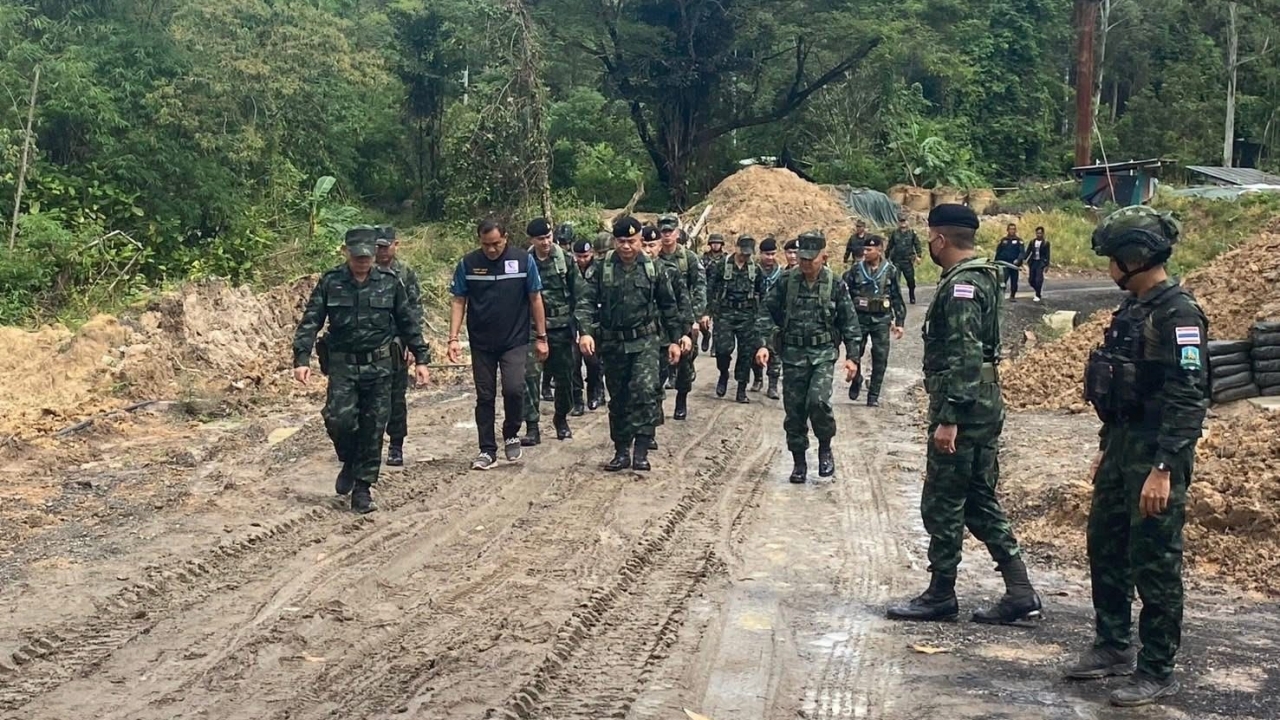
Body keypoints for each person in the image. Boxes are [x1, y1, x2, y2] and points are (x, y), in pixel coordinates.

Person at [1067, 206, 1208, 708]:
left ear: (1135, 257)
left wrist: (1164, 469)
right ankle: (1112, 645)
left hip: (1156, 453)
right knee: (1106, 544)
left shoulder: (1180, 315)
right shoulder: (1134, 309)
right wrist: (1107, 450)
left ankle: (1156, 667)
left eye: (1112, 258)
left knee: (1154, 560)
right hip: (1122, 444)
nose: (1109, 269)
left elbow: (1189, 396)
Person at [886, 204, 1041, 624]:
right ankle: (1020, 590)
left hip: (964, 408)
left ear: (939, 239)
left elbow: (965, 353)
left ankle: (940, 594)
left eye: (930, 237)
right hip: (983, 403)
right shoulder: (984, 274)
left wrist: (950, 416)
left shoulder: (961, 286)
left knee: (943, 499)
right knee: (977, 498)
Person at [292, 226, 431, 513]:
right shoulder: (331, 281)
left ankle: (363, 488)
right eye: (357, 257)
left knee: (373, 427)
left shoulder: (391, 282)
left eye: (367, 257)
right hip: (343, 365)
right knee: (337, 419)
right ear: (346, 253)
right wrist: (301, 358)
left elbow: (408, 322)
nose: (363, 262)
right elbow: (311, 320)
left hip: (380, 367)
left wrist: (421, 358)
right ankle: (350, 459)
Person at [576, 216, 686, 472]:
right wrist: (585, 332)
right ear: (615, 241)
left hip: (645, 341)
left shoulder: (653, 268)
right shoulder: (602, 269)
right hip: (613, 343)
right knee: (620, 397)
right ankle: (622, 450)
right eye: (621, 241)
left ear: (640, 241)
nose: (626, 246)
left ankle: (641, 450)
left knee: (646, 391)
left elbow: (669, 306)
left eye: (632, 241)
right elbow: (585, 303)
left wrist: (675, 340)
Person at [757, 232, 860, 483]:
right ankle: (799, 462)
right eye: (802, 258)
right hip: (792, 356)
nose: (804, 264)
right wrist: (764, 343)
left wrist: (852, 357)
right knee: (794, 413)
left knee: (818, 402)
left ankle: (825, 447)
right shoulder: (786, 282)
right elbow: (764, 312)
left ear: (823, 257)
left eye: (810, 259)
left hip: (823, 355)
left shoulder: (835, 284)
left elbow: (850, 322)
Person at [447, 219, 549, 471]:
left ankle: (511, 432)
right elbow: (459, 300)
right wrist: (453, 338)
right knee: (485, 396)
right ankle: (487, 449)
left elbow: (535, 298)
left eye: (496, 243)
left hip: (514, 339)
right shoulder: (468, 264)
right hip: (481, 341)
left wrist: (542, 337)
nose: (491, 249)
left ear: (505, 237)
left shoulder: (524, 262)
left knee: (514, 389)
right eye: (486, 245)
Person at [521, 217, 583, 447]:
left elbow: (580, 294)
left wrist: (581, 328)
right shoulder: (524, 262)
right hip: (532, 329)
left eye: (548, 237)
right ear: (532, 240)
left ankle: (561, 418)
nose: (546, 242)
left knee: (565, 377)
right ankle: (532, 426)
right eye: (541, 239)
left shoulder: (565, 260)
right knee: (530, 377)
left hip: (562, 327)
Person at [373, 225, 422, 467]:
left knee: (396, 398)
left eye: (386, 246)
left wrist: (412, 344)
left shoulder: (404, 273)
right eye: (377, 246)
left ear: (396, 245)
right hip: (370, 345)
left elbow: (413, 310)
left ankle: (395, 445)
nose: (381, 251)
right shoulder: (364, 270)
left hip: (396, 345)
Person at [844, 236, 906, 407]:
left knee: (880, 356)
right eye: (864, 249)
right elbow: (845, 296)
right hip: (860, 319)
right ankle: (856, 379)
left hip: (881, 319)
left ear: (879, 250)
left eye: (869, 250)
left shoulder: (890, 270)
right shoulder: (856, 270)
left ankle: (873, 395)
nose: (865, 253)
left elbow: (896, 297)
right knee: (855, 353)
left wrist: (899, 322)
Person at [657, 214, 708, 420]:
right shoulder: (654, 257)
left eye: (670, 231)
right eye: (663, 231)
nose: (667, 235)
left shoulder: (689, 259)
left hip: (684, 317)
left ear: (677, 233)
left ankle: (681, 399)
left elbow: (699, 288)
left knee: (685, 364)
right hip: (661, 318)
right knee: (659, 365)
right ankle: (657, 405)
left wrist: (694, 318)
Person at [708, 235, 768, 403]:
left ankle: (741, 388)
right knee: (722, 350)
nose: (745, 256)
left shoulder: (755, 270)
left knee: (746, 354)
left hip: (747, 315)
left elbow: (763, 294)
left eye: (748, 253)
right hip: (725, 313)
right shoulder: (721, 266)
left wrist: (762, 318)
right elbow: (710, 288)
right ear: (736, 247)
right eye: (743, 252)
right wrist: (708, 312)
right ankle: (723, 373)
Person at [570, 238, 606, 411]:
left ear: (591, 253)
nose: (582, 259)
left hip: (594, 320)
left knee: (593, 361)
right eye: (579, 256)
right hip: (572, 319)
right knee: (573, 361)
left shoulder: (599, 268)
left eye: (585, 256)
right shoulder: (570, 268)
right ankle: (577, 399)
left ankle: (595, 392)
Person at [753, 236, 783, 399]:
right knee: (754, 348)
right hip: (754, 315)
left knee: (775, 350)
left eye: (772, 254)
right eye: (767, 254)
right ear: (760, 254)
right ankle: (758, 377)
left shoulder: (782, 274)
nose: (770, 258)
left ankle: (773, 384)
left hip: (774, 317)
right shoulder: (754, 271)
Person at [886, 216, 922, 304]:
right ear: (898, 223)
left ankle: (912, 296)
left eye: (904, 221)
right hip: (897, 260)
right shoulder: (895, 233)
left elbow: (917, 244)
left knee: (910, 281)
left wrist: (919, 256)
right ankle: (896, 299)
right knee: (896, 281)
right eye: (901, 221)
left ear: (907, 222)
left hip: (908, 261)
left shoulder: (912, 233)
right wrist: (886, 257)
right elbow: (890, 246)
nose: (903, 223)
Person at [701, 234, 727, 352]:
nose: (716, 245)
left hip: (719, 293)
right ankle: (706, 335)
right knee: (702, 320)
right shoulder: (703, 258)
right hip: (704, 291)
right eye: (713, 243)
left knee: (717, 322)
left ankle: (715, 346)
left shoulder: (726, 259)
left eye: (718, 243)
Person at [995, 223, 1025, 302]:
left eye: (1014, 229)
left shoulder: (1019, 241)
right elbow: (998, 251)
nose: (1012, 231)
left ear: (1016, 230)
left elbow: (1022, 252)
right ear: (1007, 230)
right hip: (1004, 264)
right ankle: (1001, 296)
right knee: (1002, 280)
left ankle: (1012, 296)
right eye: (1010, 229)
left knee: (1014, 281)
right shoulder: (1004, 240)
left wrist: (1018, 260)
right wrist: (996, 262)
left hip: (1014, 264)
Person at [1022, 226, 1051, 302]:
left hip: (1040, 262)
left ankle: (1037, 294)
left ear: (1043, 234)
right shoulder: (1032, 242)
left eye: (1040, 233)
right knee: (1031, 280)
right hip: (1033, 262)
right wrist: (1024, 259)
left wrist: (1047, 265)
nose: (1039, 235)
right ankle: (1038, 290)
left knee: (1038, 279)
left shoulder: (1046, 243)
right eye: (1037, 233)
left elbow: (1047, 254)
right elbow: (1028, 251)